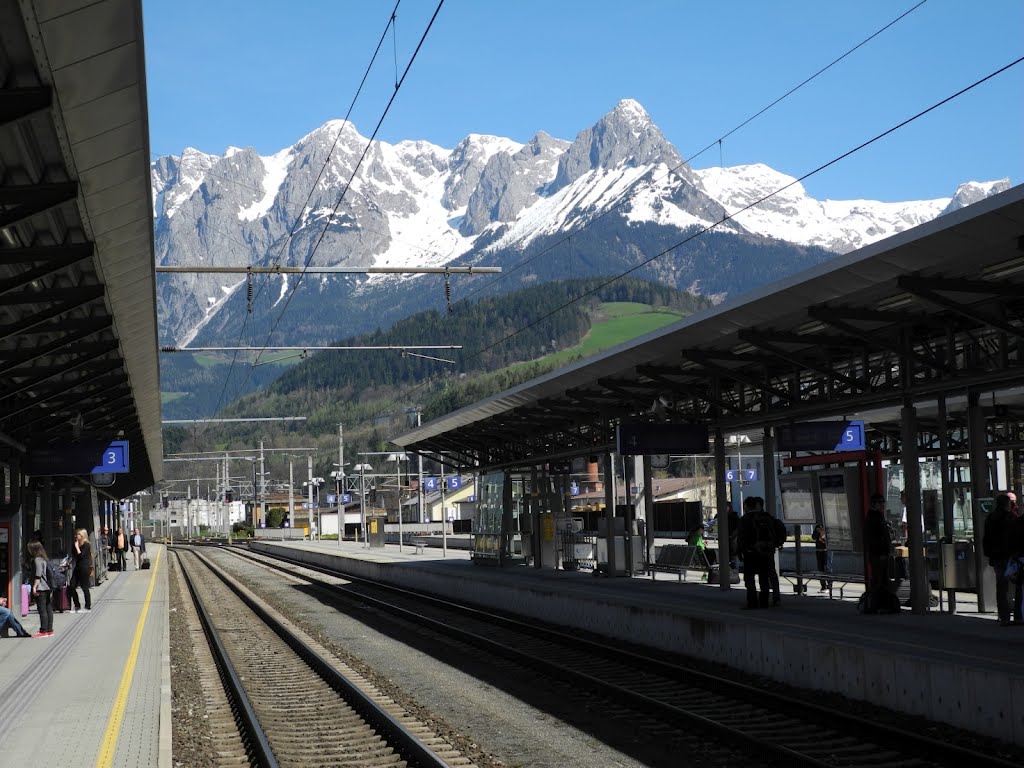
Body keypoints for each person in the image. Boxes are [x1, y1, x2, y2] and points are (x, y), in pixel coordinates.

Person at [983, 492, 1019, 626]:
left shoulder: (991, 518)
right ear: (1007, 504)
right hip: (1009, 557)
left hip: (997, 556)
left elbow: (986, 539)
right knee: (1015, 585)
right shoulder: (1010, 518)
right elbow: (1014, 538)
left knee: (1001, 586)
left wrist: (990, 555)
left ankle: (1003, 615)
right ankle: (1016, 613)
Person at [738, 496, 777, 608]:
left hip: (750, 553)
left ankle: (752, 602)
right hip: (765, 553)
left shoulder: (745, 519)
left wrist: (740, 551)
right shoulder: (767, 518)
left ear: (746, 506)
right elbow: (773, 534)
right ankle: (764, 601)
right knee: (764, 578)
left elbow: (742, 537)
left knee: (749, 578)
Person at [864, 493, 893, 596]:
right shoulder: (874, 517)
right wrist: (883, 550)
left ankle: (880, 600)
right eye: (880, 502)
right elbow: (876, 537)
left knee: (881, 578)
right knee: (879, 578)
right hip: (878, 553)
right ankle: (878, 601)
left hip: (879, 552)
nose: (882, 505)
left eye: (883, 502)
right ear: (874, 504)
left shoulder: (876, 516)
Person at [28, 540, 53, 637]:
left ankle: (43, 631)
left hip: (41, 587)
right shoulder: (44, 558)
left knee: (42, 609)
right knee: (48, 608)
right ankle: (49, 629)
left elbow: (38, 574)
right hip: (47, 586)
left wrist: (34, 587)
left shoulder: (37, 560)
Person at [70, 528, 92, 612]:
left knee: (84, 587)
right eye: (76, 534)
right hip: (78, 567)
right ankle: (77, 605)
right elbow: (74, 555)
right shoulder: (76, 544)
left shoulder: (86, 545)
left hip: (84, 567)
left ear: (82, 536)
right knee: (72, 586)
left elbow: (81, 556)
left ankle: (87, 606)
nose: (76, 536)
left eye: (78, 534)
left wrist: (77, 547)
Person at [812, 524, 833, 592]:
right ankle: (823, 586)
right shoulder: (818, 526)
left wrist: (823, 536)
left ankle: (829, 585)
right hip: (819, 551)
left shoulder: (829, 526)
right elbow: (813, 536)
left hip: (827, 551)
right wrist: (819, 535)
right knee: (820, 568)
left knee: (827, 567)